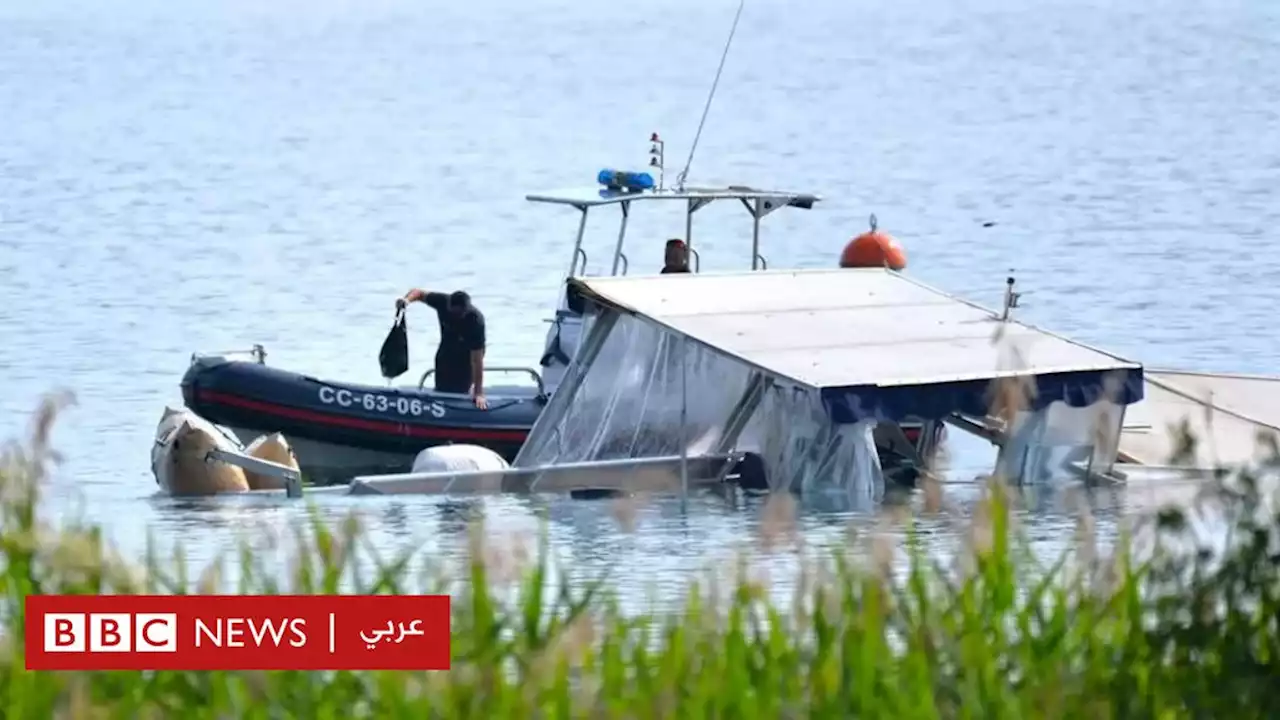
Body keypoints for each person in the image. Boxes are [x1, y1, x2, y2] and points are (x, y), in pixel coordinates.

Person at [396, 289, 488, 409]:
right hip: (446, 352)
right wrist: (406, 300)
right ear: (449, 305)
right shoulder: (442, 301)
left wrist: (479, 392)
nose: (456, 316)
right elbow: (418, 293)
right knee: (442, 387)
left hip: (466, 358)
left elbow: (477, 359)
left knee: (460, 389)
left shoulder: (476, 320)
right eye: (453, 313)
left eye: (459, 314)